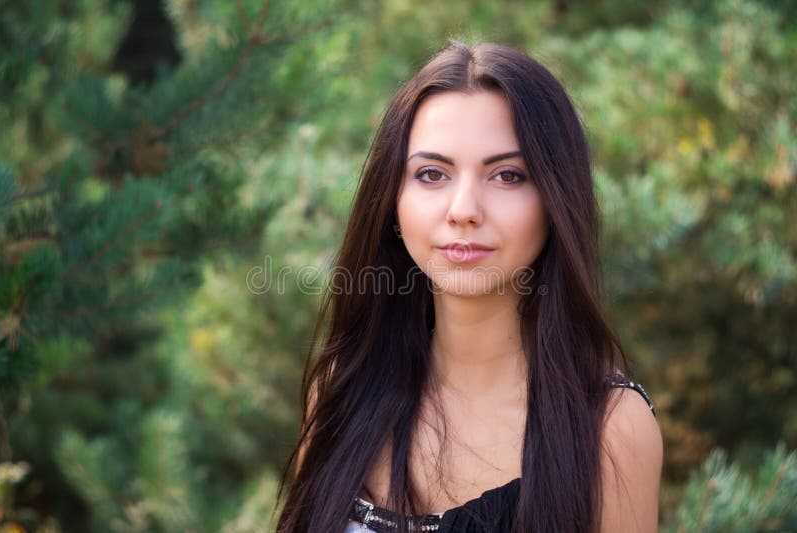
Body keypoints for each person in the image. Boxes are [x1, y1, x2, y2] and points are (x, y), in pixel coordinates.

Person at [276, 41, 662, 533]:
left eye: (507, 175)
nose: (463, 209)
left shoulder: (610, 429)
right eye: (431, 174)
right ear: (392, 200)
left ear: (555, 201)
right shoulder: (341, 389)